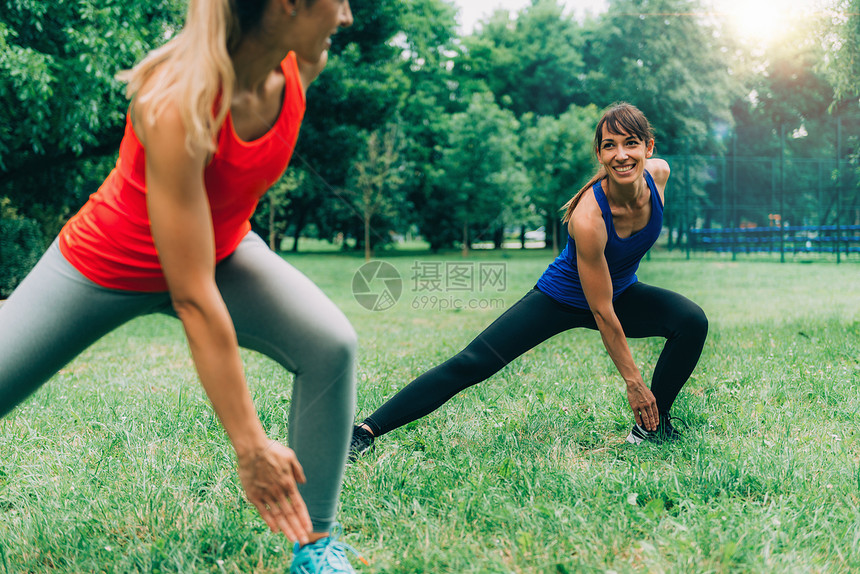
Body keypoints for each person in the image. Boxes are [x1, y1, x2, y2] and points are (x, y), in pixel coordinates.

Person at [0, 1, 364, 572]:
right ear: (288, 5)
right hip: (109, 262)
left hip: (219, 250)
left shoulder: (299, 67)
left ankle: (316, 547)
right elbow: (192, 295)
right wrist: (251, 446)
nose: (345, 17)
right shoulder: (175, 102)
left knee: (330, 344)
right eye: (336, 1)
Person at [351, 102, 708, 458]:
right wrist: (634, 383)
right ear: (599, 154)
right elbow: (601, 312)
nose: (621, 155)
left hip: (620, 290)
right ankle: (364, 432)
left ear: (649, 147)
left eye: (631, 143)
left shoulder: (658, 174)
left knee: (690, 321)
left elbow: (611, 299)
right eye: (609, 145)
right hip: (561, 298)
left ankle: (653, 426)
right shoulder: (588, 218)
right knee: (473, 362)